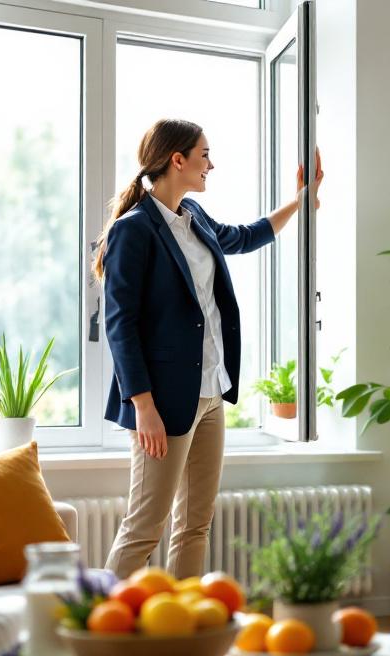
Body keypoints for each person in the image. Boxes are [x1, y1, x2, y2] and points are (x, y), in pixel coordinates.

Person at [94, 118, 321, 579]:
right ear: (177, 160)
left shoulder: (193, 216)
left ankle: (184, 632)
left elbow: (244, 236)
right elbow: (121, 325)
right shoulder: (133, 230)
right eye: (204, 156)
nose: (210, 165)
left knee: (195, 523)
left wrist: (301, 201)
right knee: (144, 527)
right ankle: (95, 629)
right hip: (161, 403)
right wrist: (143, 406)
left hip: (210, 395)